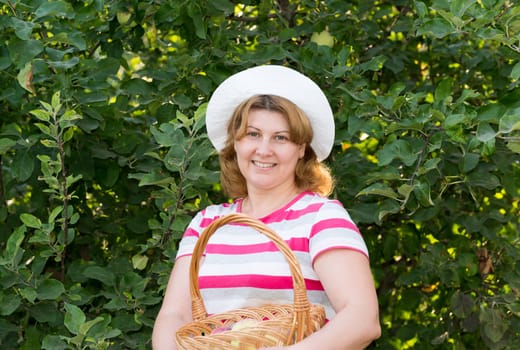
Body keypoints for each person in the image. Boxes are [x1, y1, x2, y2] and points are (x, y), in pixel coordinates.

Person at [152, 65, 381, 349]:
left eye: (281, 138)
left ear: (301, 149)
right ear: (234, 142)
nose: (264, 150)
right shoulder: (206, 222)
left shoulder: (321, 218)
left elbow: (362, 319)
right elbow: (175, 315)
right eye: (253, 134)